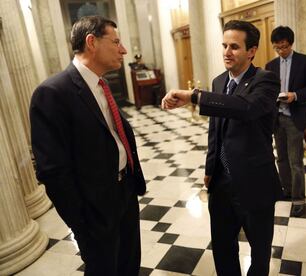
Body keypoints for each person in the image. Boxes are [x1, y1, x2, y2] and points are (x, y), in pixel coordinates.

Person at [162, 20, 283, 276]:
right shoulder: (218, 82)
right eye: (224, 45)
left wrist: (195, 96)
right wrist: (209, 169)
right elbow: (215, 132)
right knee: (223, 248)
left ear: (251, 51)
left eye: (235, 47)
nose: (227, 52)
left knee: (260, 253)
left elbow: (245, 108)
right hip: (221, 183)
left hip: (255, 183)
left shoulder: (267, 80)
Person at [30, 16, 146, 276]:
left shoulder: (101, 85)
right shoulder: (52, 93)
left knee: (129, 264)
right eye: (116, 41)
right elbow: (52, 170)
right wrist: (81, 223)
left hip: (124, 192)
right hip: (93, 207)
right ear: (91, 42)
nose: (124, 49)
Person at [265, 26, 306, 217]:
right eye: (277, 47)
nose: (281, 51)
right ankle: (286, 191)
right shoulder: (270, 65)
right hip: (277, 119)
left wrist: (295, 95)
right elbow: (268, 91)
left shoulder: (305, 61)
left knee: (296, 161)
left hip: (294, 118)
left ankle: (298, 199)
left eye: (284, 47)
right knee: (282, 159)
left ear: (291, 43)